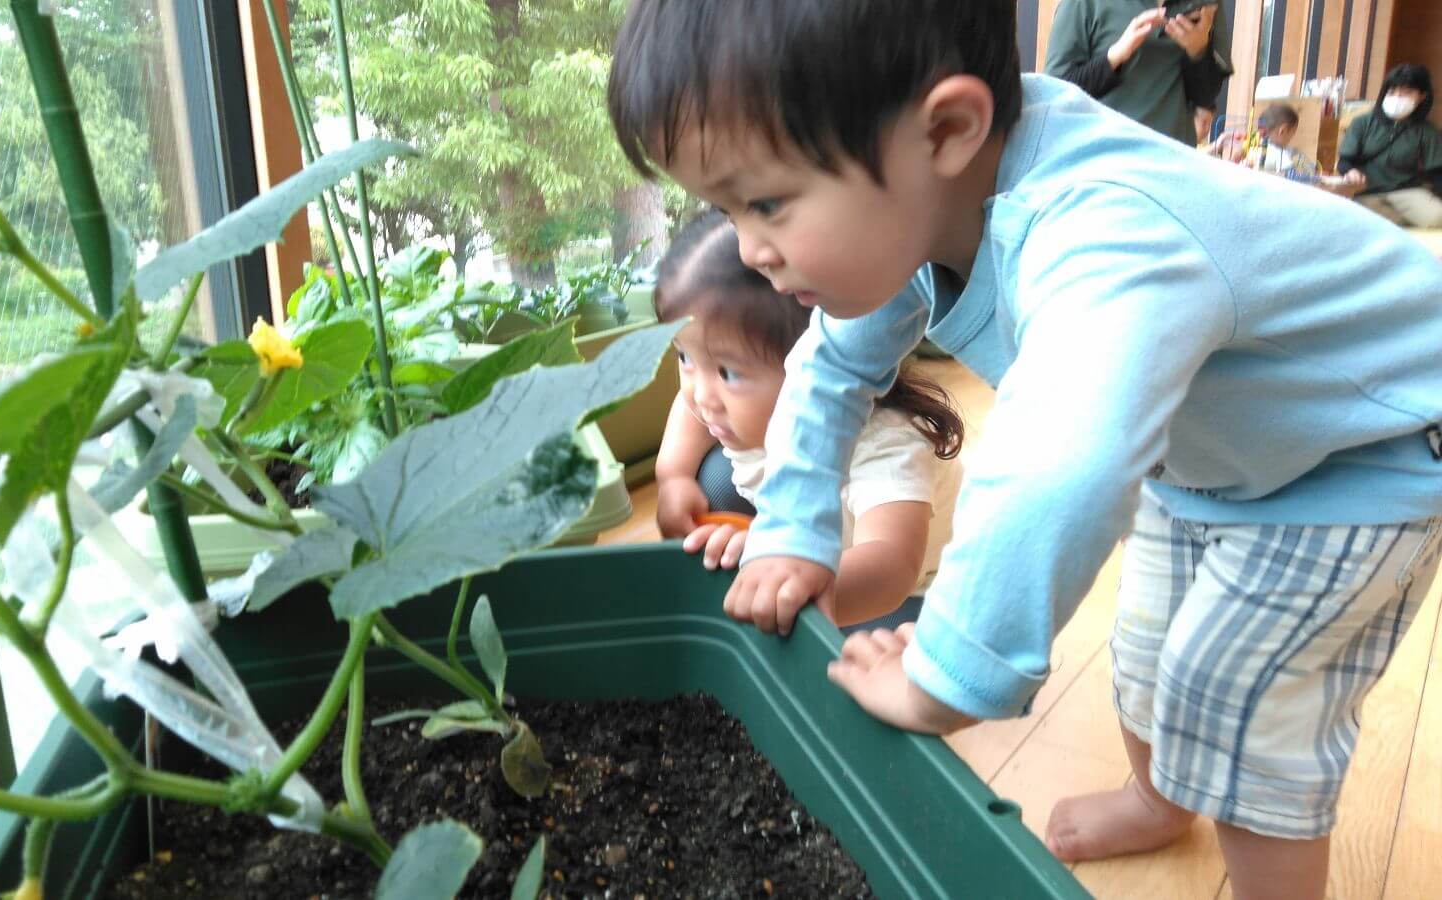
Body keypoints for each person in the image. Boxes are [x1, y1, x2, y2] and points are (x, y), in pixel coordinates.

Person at [606, 2, 1442, 899]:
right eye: (726, 208)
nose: (751, 250)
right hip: (1214, 459)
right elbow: (829, 364)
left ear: (950, 128)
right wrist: (795, 530)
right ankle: (1159, 799)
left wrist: (942, 675)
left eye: (766, 202)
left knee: (1229, 696)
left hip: (1362, 452)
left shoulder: (1103, 230)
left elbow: (1057, 465)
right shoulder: (930, 191)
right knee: (1147, 652)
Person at [651, 211, 964, 630]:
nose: (701, 392)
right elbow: (688, 408)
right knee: (710, 476)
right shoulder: (715, 398)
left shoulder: (882, 444)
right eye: (684, 357)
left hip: (909, 595)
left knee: (874, 678)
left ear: (811, 361)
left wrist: (786, 579)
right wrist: (673, 478)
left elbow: (892, 566)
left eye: (728, 372)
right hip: (816, 541)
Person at [1045, 0, 1232, 145]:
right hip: (1102, 169)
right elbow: (1055, 95)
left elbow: (1205, 98)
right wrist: (1114, 57)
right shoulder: (1083, 4)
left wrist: (1198, 51)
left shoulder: (1206, 4)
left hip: (1173, 169)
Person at [1338, 63, 1442, 227]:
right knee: (1361, 219)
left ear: (1422, 96)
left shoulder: (1428, 131)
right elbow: (1344, 161)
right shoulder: (1362, 122)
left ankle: (1397, 220)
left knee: (1437, 217)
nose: (1397, 97)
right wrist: (1351, 171)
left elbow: (1437, 172)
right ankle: (1400, 221)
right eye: (1392, 92)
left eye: (1406, 92)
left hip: (1407, 191)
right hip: (1366, 191)